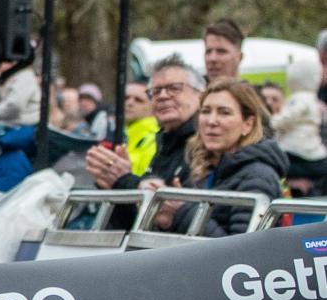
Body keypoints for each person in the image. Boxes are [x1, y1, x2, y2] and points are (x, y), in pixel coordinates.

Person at [152, 77, 288, 236]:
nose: (211, 121)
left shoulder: (258, 176)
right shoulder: (202, 170)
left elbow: (243, 252)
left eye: (224, 112)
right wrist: (168, 220)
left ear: (248, 124)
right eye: (205, 111)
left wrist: (183, 212)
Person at [85, 55, 202, 200]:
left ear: (200, 95)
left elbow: (177, 212)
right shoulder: (164, 142)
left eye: (174, 88)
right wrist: (111, 184)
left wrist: (126, 181)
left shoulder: (207, 142)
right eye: (156, 91)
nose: (163, 96)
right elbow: (143, 217)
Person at [122, 81, 159, 176]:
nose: (129, 103)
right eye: (125, 98)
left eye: (138, 100)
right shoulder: (125, 136)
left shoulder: (155, 141)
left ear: (153, 107)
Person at [203, 17, 244, 82]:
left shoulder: (254, 92)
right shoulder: (193, 90)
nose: (212, 58)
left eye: (221, 51)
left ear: (239, 57)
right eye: (208, 52)